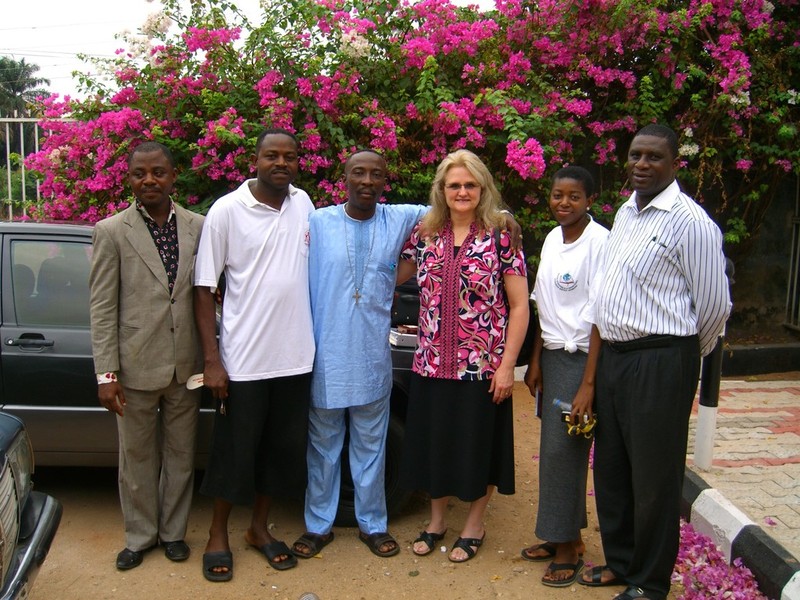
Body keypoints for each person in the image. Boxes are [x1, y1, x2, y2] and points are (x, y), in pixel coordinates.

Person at [579, 124, 731, 600]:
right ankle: (622, 562)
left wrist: (679, 361)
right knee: (612, 470)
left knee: (653, 478)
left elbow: (714, 307)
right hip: (616, 358)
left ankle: (649, 582)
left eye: (653, 157)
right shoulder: (626, 211)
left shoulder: (691, 223)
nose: (641, 165)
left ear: (674, 163)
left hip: (661, 361)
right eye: (635, 155)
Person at [293, 149, 429, 560]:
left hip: (371, 359)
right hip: (327, 356)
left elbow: (452, 205)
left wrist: (501, 216)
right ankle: (318, 525)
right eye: (358, 173)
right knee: (323, 448)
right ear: (345, 177)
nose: (367, 181)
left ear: (386, 180)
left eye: (376, 174)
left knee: (372, 445)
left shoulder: (398, 218)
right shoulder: (318, 221)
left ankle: (373, 524)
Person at [396, 149, 529, 563]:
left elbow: (519, 306)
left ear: (483, 188)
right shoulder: (424, 233)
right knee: (435, 444)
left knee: (478, 447)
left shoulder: (501, 235)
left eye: (470, 184)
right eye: (454, 185)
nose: (462, 192)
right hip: (431, 363)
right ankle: (437, 521)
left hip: (482, 366)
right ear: (442, 190)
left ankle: (474, 524)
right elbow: (391, 275)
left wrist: (507, 366)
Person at [193, 129, 315, 581]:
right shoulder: (226, 210)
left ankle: (258, 529)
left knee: (281, 450)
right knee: (234, 451)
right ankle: (217, 534)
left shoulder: (304, 204)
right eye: (271, 155)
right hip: (243, 360)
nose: (281, 163)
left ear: (298, 162)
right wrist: (212, 360)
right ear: (256, 159)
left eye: (290, 156)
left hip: (297, 356)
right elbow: (203, 288)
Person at [89, 141, 204, 571]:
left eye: (158, 172)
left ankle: (173, 534)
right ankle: (139, 537)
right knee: (135, 459)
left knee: (181, 455)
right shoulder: (111, 231)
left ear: (173, 176)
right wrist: (106, 374)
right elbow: (102, 307)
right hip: (134, 366)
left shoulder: (198, 226)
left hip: (185, 366)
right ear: (130, 179)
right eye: (140, 173)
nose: (149, 180)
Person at [521, 166, 608, 587]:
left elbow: (601, 316)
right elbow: (544, 305)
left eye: (574, 196)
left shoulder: (601, 242)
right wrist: (536, 360)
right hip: (554, 358)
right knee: (556, 450)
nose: (564, 203)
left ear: (590, 200)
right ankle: (561, 536)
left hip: (584, 361)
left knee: (564, 451)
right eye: (558, 195)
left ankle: (569, 549)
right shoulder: (554, 238)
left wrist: (588, 384)